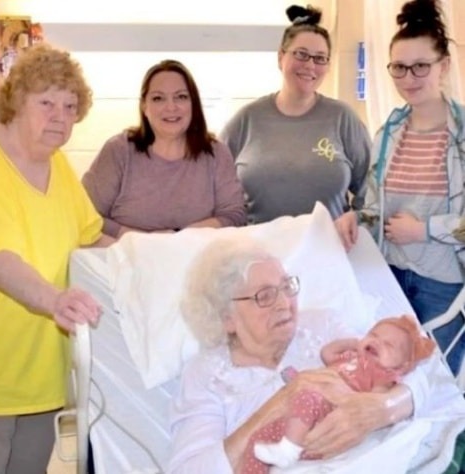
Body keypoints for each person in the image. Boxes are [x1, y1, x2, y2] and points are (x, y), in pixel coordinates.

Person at [168, 238, 432, 474]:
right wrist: (281, 402)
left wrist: (382, 409)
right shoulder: (205, 374)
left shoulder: (323, 325)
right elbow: (188, 469)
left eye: (286, 287)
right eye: (265, 296)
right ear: (227, 318)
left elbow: (415, 372)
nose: (284, 303)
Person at [0, 44, 114, 474]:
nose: (61, 116)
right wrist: (56, 301)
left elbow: (91, 239)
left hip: (45, 379)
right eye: (47, 102)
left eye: (71, 106)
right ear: (16, 101)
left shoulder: (59, 166)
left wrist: (152, 256)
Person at [335, 0, 465, 376]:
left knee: (435, 382)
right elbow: (376, 206)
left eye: (420, 66)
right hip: (389, 273)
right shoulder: (389, 131)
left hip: (443, 283)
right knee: (386, 378)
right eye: (399, 68)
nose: (409, 78)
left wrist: (423, 230)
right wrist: (355, 216)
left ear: (444, 66)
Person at [219, 4, 371, 225]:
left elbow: (372, 191)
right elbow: (213, 191)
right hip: (259, 253)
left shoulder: (343, 119)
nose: (310, 65)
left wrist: (356, 222)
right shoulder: (245, 120)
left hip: (329, 252)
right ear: (281, 57)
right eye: (301, 54)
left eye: (320, 58)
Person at [82, 59, 246, 238]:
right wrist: (141, 241)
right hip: (128, 260)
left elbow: (234, 216)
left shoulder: (216, 153)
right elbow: (85, 213)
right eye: (158, 98)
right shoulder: (118, 151)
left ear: (194, 104)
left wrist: (179, 238)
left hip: (200, 261)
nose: (171, 107)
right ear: (144, 106)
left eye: (181, 97)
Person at [249, 315, 435, 472]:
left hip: (330, 411)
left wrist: (340, 393)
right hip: (313, 402)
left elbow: (369, 404)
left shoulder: (383, 375)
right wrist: (354, 343)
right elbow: (327, 354)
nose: (376, 342)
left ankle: (289, 449)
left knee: (307, 396)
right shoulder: (352, 357)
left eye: (388, 345)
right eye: (373, 335)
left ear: (401, 365)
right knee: (260, 438)